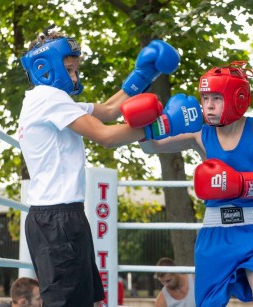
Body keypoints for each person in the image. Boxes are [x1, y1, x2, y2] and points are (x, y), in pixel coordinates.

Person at [19, 24, 201, 307]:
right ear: (46, 67)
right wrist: (165, 125)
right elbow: (105, 136)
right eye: (69, 69)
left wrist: (144, 73)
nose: (74, 76)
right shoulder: (48, 98)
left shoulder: (45, 100)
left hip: (58, 218)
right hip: (58, 220)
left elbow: (107, 111)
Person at [140, 61, 253, 306]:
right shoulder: (200, 133)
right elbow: (150, 147)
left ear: (237, 98)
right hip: (215, 234)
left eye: (216, 98)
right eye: (205, 97)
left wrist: (239, 183)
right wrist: (146, 123)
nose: (208, 105)